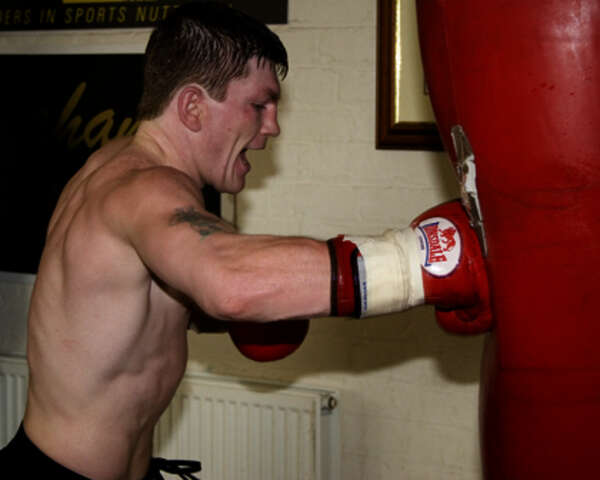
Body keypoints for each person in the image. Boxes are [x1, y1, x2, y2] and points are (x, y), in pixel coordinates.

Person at [0, 2, 331, 479]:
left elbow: (129, 312)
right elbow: (231, 285)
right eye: (259, 105)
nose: (272, 126)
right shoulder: (147, 187)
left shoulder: (114, 164)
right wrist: (407, 264)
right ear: (193, 106)